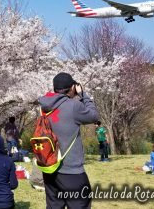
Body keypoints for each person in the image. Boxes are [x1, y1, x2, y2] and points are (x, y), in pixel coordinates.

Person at [38, 72, 99, 209]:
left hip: (50, 169)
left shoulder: (44, 107)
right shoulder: (73, 106)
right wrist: (83, 95)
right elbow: (94, 116)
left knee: (54, 206)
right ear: (72, 88)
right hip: (71, 171)